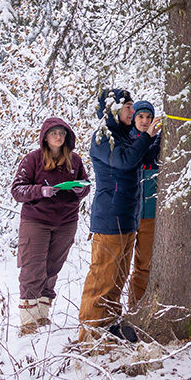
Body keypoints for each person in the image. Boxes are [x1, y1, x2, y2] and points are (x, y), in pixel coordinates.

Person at [78, 89, 161, 343]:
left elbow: (146, 157)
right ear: (112, 110)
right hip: (110, 219)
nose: (132, 112)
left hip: (127, 220)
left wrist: (158, 136)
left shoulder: (124, 137)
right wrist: (146, 136)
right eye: (128, 108)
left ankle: (110, 327)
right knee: (102, 278)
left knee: (117, 279)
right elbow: (125, 161)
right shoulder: (104, 138)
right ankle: (90, 335)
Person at [10, 117, 90, 336]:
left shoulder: (75, 161)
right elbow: (17, 190)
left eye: (62, 134)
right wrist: (40, 191)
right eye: (54, 133)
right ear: (45, 137)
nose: (58, 137)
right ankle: (28, 324)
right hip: (36, 221)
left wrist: (78, 190)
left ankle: (43, 318)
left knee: (52, 269)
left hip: (66, 222)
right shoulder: (33, 160)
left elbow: (86, 186)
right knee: (32, 269)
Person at [127, 100, 160, 306]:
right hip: (128, 212)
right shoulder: (126, 140)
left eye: (148, 117)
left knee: (144, 264)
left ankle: (137, 305)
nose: (145, 121)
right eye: (140, 116)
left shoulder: (160, 142)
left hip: (150, 213)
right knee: (118, 264)